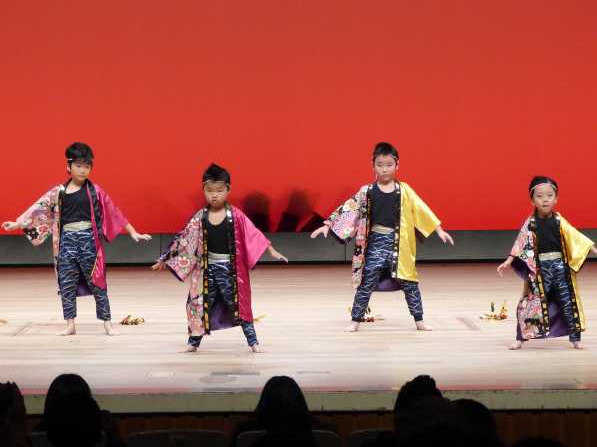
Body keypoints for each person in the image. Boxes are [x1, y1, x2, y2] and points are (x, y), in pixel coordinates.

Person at [2, 142, 151, 336]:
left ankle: (108, 324)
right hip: (66, 242)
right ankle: (70, 325)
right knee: (67, 283)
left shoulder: (95, 191)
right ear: (69, 166)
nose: (83, 170)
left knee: (98, 283)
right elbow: (38, 209)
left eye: (87, 166)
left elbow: (113, 211)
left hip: (89, 241)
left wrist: (133, 232)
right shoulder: (58, 192)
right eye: (78, 165)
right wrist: (17, 224)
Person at [311, 142, 453, 332]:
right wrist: (328, 225)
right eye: (380, 164)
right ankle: (355, 321)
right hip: (375, 242)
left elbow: (420, 209)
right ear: (373, 166)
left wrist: (438, 229)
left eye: (389, 165)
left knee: (409, 282)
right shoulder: (366, 191)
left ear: (397, 165)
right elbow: (350, 208)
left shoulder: (405, 190)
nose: (384, 169)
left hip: (399, 243)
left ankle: (419, 320)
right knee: (366, 282)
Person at [152, 164, 287, 352]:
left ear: (228, 190)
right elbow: (184, 238)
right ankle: (193, 343)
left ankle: (253, 342)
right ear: (203, 190)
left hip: (230, 271)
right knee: (199, 304)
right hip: (206, 270)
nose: (214, 195)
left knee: (239, 305)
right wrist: (165, 258)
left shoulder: (236, 215)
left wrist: (271, 250)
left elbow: (253, 233)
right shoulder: (200, 217)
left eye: (219, 190)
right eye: (209, 191)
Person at [497, 176, 597, 350]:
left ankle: (575, 338)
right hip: (540, 271)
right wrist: (509, 260)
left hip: (560, 268)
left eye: (549, 195)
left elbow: (575, 236)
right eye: (540, 196)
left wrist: (594, 249)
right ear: (532, 200)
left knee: (568, 302)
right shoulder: (530, 223)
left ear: (556, 198)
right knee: (531, 304)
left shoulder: (559, 220)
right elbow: (520, 243)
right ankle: (521, 338)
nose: (545, 199)